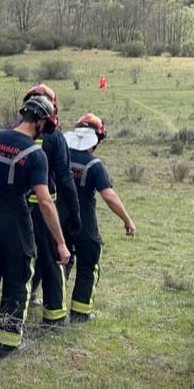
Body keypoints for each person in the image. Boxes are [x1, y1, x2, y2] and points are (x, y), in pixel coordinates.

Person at [0, 96, 71, 358]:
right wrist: (60, 243)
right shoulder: (36, 155)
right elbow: (44, 200)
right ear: (40, 121)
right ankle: (8, 343)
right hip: (15, 225)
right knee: (18, 280)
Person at [62, 113, 136, 322]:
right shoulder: (94, 165)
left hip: (59, 221)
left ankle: (54, 311)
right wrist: (127, 220)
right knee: (88, 264)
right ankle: (81, 312)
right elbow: (109, 197)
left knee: (60, 263)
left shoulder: (62, 157)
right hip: (84, 224)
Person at [22, 85, 81, 327]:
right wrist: (74, 212)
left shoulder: (13, 134)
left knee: (23, 260)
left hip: (18, 207)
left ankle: (19, 310)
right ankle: (54, 316)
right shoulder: (55, 138)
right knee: (55, 258)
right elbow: (65, 179)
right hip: (45, 207)